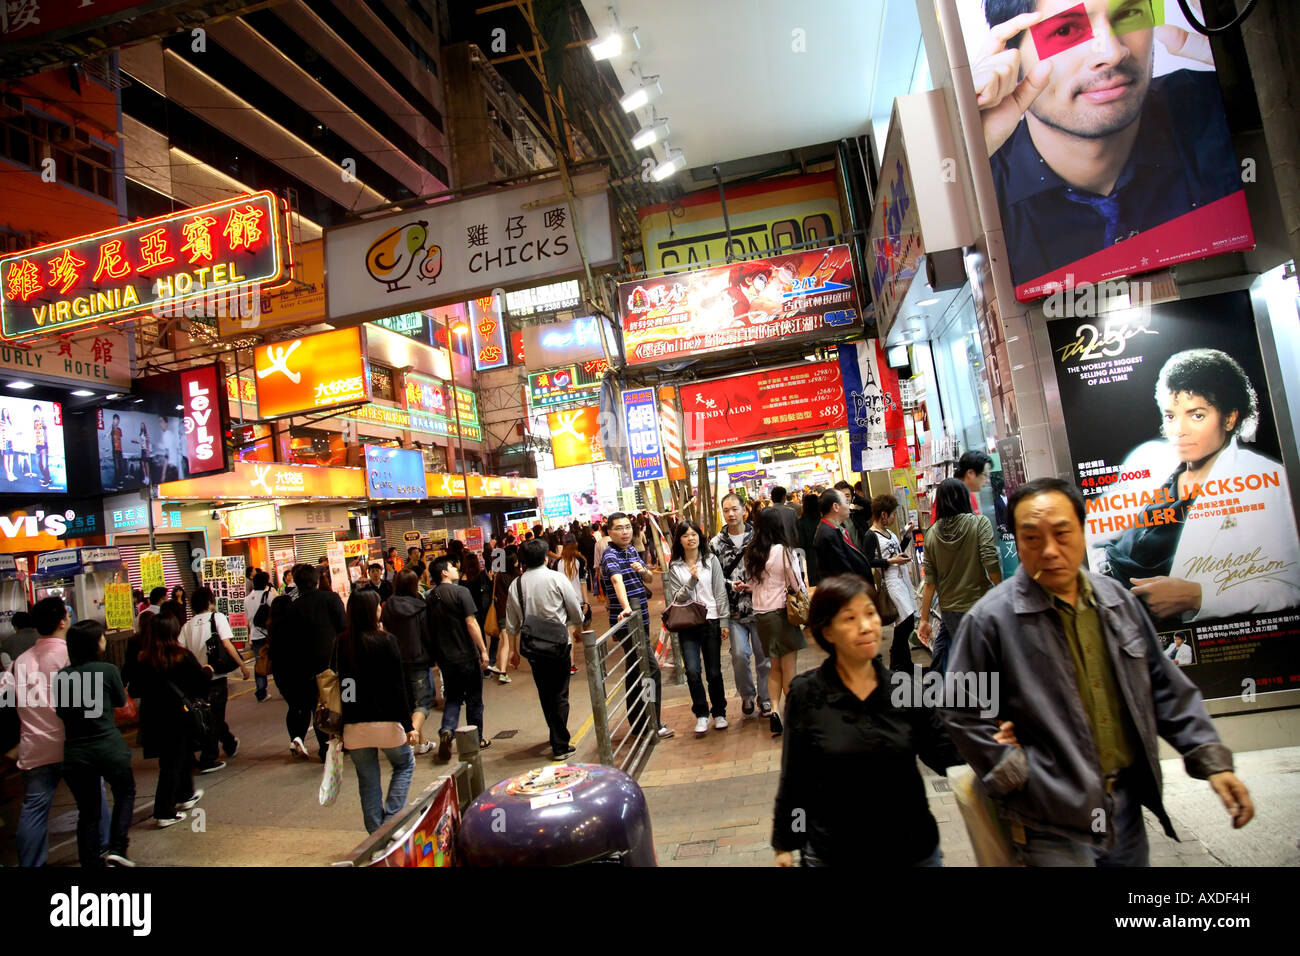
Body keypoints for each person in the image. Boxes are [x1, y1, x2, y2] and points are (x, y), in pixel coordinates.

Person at [940, 477, 1255, 865]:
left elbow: (1163, 686)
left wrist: (1211, 760)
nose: (1050, 550)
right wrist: (1015, 774)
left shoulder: (1116, 601)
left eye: (1062, 533)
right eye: (1032, 538)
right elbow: (960, 711)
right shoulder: (990, 620)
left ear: (1083, 531)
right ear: (1018, 542)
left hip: (1124, 808)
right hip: (1049, 821)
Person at [976, 0, 1242, 287]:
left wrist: (1249, 70)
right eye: (1066, 30)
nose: (1113, 52)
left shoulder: (1214, 109)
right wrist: (974, 154)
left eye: (1128, 14)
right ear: (1010, 59)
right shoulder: (983, 197)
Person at [1094, 348, 1300, 622]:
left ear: (1229, 417)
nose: (1179, 430)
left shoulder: (1267, 479)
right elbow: (1095, 535)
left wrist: (1198, 597)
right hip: (1115, 614)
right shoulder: (1149, 460)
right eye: (1170, 416)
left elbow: (1289, 588)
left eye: (1197, 415)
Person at [772, 575, 963, 867]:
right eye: (849, 618)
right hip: (834, 853)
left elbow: (944, 753)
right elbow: (796, 777)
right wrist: (786, 845)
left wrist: (988, 742)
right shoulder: (805, 693)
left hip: (912, 852)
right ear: (827, 631)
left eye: (870, 614)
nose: (865, 627)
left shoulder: (905, 690)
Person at [6, 597, 106, 865]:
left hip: (35, 747)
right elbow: (92, 703)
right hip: (74, 745)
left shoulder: (20, 662)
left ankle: (30, 864)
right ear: (63, 621)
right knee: (93, 801)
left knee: (34, 809)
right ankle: (103, 850)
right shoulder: (71, 656)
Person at [55, 620, 136, 867]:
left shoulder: (62, 676)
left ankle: (90, 862)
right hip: (109, 746)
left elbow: (61, 712)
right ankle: (118, 847)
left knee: (88, 812)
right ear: (94, 644)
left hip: (76, 752)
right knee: (125, 792)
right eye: (102, 637)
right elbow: (121, 702)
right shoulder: (108, 670)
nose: (104, 640)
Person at [338, 589, 416, 834]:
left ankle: (376, 833)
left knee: (367, 779)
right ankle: (391, 822)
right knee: (404, 764)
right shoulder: (387, 640)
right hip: (387, 722)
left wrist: (344, 724)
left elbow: (345, 687)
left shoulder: (342, 643)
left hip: (354, 725)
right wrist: (409, 724)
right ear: (373, 611)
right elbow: (398, 687)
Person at [504, 539, 584, 761]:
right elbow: (575, 610)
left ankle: (556, 734)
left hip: (533, 648)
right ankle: (560, 743)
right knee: (561, 693)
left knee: (545, 693)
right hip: (559, 645)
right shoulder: (556, 578)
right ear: (545, 557)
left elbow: (512, 623)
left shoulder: (516, 585)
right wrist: (576, 625)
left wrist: (513, 651)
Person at [127, 612, 209, 828]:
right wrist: (206, 673)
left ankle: (185, 795)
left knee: (175, 757)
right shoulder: (182, 656)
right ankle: (164, 811)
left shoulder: (143, 659)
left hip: (153, 716)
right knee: (172, 763)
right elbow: (200, 685)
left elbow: (135, 688)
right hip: (178, 715)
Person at [600, 512, 673, 740]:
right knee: (651, 669)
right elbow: (616, 580)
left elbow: (650, 578)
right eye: (619, 528)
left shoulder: (631, 550)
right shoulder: (610, 555)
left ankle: (639, 723)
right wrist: (626, 607)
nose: (625, 532)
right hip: (627, 622)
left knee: (635, 671)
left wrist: (643, 571)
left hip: (639, 621)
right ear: (609, 532)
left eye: (627, 527)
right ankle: (652, 721)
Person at [917, 478, 1001, 675]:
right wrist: (1002, 593)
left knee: (946, 645)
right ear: (965, 498)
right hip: (978, 605)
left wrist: (924, 619)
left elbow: (930, 582)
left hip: (949, 609)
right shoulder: (979, 524)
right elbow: (991, 563)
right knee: (981, 662)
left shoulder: (931, 535)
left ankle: (936, 690)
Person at [742, 507, 809, 738]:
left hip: (761, 615)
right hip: (782, 613)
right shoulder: (783, 551)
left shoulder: (752, 552)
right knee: (789, 667)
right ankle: (793, 716)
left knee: (774, 668)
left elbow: (751, 583)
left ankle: (775, 713)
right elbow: (796, 583)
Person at [710, 493, 772, 721]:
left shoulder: (759, 537)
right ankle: (747, 694)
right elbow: (714, 577)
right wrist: (730, 585)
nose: (731, 514)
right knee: (739, 655)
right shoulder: (715, 544)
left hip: (761, 606)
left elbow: (770, 568)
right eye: (726, 510)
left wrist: (755, 584)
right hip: (734, 611)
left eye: (734, 509)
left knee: (763, 657)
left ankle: (765, 699)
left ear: (743, 510)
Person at [665, 520, 730, 735]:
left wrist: (724, 621)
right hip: (687, 624)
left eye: (694, 534)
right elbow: (677, 598)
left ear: (699, 537)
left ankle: (719, 712)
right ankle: (701, 714)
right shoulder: (675, 566)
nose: (690, 538)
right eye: (685, 535)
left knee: (713, 671)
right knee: (692, 671)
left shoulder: (711, 561)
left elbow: (720, 591)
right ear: (679, 540)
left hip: (711, 619)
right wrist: (691, 580)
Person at [426, 556, 491, 762]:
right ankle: (476, 739)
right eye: (452, 566)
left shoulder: (430, 596)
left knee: (453, 698)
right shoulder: (461, 592)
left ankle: (447, 730)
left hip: (446, 659)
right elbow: (471, 623)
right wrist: (483, 649)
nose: (456, 568)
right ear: (444, 572)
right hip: (466, 655)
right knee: (473, 699)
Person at [179, 587, 247, 772]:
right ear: (210, 602)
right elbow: (227, 644)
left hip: (196, 679)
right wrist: (242, 666)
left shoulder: (187, 626)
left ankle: (229, 743)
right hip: (216, 676)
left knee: (211, 714)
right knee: (214, 716)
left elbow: (181, 651)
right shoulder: (217, 618)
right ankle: (208, 758)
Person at [286, 563, 347, 761]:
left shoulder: (293, 608)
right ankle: (346, 742)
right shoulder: (331, 598)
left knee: (317, 707)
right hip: (334, 663)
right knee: (344, 700)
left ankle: (324, 749)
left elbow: (292, 640)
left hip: (306, 667)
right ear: (317, 580)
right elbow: (343, 627)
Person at [382, 569, 435, 756]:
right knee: (424, 701)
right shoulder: (420, 605)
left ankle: (422, 742)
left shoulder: (388, 606)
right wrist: (434, 655)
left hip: (396, 660)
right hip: (418, 658)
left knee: (410, 703)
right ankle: (412, 733)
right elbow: (427, 634)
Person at [869, 495, 919, 671]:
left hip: (902, 579)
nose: (894, 518)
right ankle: (898, 662)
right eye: (893, 515)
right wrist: (891, 562)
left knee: (906, 621)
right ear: (884, 514)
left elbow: (896, 552)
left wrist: (906, 537)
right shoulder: (871, 535)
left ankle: (902, 663)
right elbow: (868, 561)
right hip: (891, 583)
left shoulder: (889, 533)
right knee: (905, 622)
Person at [815, 487, 903, 585]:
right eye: (846, 503)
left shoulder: (834, 530)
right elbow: (842, 569)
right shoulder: (828, 534)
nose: (849, 506)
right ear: (836, 507)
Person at [929, 450, 990, 525]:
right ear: (970, 473)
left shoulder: (970, 495)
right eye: (986, 475)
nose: (987, 481)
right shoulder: (949, 495)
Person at [555, 533, 588, 673]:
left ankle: (571, 664)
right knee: (581, 631)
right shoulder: (580, 560)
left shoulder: (557, 563)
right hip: (578, 601)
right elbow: (583, 582)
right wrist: (586, 602)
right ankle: (575, 662)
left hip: (562, 601)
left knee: (570, 632)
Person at [244, 570, 277, 703]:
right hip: (270, 635)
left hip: (255, 635)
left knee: (260, 662)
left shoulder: (246, 599)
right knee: (277, 660)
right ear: (265, 583)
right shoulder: (269, 596)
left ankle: (261, 692)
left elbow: (247, 619)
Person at [487, 548, 519, 683]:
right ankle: (503, 671)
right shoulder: (516, 576)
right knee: (508, 642)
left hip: (501, 612)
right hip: (512, 613)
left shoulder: (499, 575)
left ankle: (505, 666)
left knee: (505, 642)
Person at [796, 494, 822, 587]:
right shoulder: (823, 519)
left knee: (818, 584)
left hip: (811, 555)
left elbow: (801, 543)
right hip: (825, 553)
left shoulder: (801, 522)